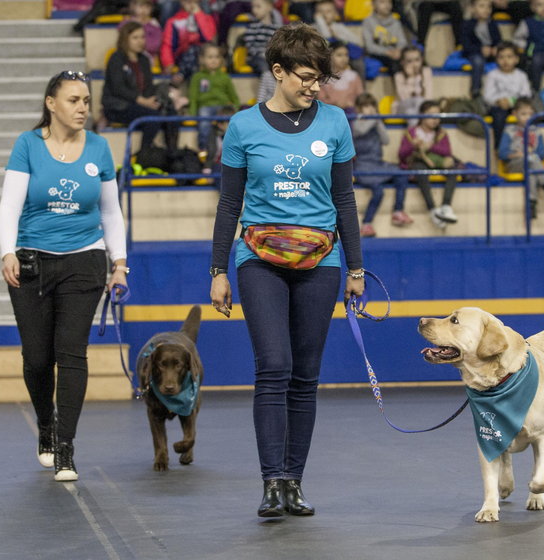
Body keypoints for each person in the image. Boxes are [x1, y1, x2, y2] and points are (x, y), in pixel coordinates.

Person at [209, 23, 365, 518]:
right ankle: (270, 481)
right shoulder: (242, 126)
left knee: (306, 376)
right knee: (273, 367)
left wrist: (356, 268)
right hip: (259, 261)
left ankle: (293, 481)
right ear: (277, 71)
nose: (314, 87)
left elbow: (344, 198)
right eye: (304, 77)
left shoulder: (336, 122)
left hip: (322, 263)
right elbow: (229, 203)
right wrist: (218, 268)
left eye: (320, 78)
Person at [0, 70, 128, 481]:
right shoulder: (27, 145)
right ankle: (46, 424)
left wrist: (119, 263)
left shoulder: (100, 149)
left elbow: (110, 211)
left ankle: (67, 447)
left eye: (86, 100)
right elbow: (9, 207)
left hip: (84, 261)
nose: (83, 108)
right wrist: (7, 251)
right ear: (51, 104)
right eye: (73, 100)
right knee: (37, 357)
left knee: (72, 353)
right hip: (33, 260)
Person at [103, 22, 179, 153]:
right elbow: (118, 88)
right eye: (135, 37)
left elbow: (148, 87)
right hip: (118, 106)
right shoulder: (116, 58)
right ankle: (144, 153)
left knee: (170, 112)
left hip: (142, 103)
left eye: (142, 37)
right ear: (125, 39)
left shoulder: (144, 59)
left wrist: (152, 101)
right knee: (152, 116)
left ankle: (172, 153)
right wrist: (143, 101)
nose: (140, 41)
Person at [352, 93, 412, 237]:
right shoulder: (355, 122)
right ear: (359, 108)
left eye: (372, 106)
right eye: (366, 106)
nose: (370, 109)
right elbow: (360, 130)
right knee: (378, 192)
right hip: (363, 166)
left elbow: (386, 140)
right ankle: (367, 224)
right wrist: (374, 119)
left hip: (378, 164)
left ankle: (398, 211)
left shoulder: (376, 121)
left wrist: (378, 122)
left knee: (401, 174)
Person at [497, 96, 544, 218]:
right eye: (523, 114)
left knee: (531, 169)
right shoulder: (509, 130)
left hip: (532, 163)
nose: (527, 117)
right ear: (514, 114)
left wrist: (530, 153)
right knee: (531, 160)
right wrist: (518, 154)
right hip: (515, 164)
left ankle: (531, 203)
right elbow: (502, 153)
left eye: (530, 114)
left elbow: (543, 154)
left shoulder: (536, 131)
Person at [398, 99, 459, 226]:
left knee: (453, 170)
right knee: (421, 171)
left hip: (437, 163)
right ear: (421, 115)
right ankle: (432, 209)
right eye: (431, 115)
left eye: (438, 116)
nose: (435, 119)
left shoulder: (441, 133)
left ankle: (446, 207)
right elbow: (402, 155)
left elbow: (447, 152)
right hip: (419, 162)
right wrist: (412, 146)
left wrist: (430, 146)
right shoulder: (411, 133)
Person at [188, 43, 240, 152]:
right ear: (202, 59)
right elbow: (193, 98)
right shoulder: (197, 77)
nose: (214, 60)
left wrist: (235, 109)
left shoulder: (225, 77)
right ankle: (204, 149)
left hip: (223, 107)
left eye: (217, 57)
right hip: (205, 107)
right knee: (204, 121)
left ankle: (230, 150)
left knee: (230, 123)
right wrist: (192, 114)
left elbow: (234, 97)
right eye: (210, 57)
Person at [483, 41, 531, 149]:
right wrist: (499, 101)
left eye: (509, 57)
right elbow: (487, 96)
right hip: (498, 106)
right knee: (499, 116)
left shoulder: (521, 75)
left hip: (517, 105)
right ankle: (499, 148)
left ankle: (527, 145)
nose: (505, 61)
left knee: (526, 114)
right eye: (501, 57)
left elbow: (526, 94)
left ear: (516, 59)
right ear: (496, 59)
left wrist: (511, 101)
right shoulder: (492, 75)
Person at [160, 0, 217, 79]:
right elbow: (167, 45)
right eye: (186, 1)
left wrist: (198, 14)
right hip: (182, 56)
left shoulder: (207, 18)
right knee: (192, 50)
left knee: (197, 50)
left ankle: (181, 74)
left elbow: (208, 37)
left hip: (202, 57)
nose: (190, 2)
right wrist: (168, 62)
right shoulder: (173, 21)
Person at [314, 0, 365, 78]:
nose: (324, 15)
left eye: (328, 11)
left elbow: (358, 41)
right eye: (321, 12)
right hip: (322, 59)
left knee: (358, 63)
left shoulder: (339, 27)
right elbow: (326, 35)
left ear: (335, 14)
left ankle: (360, 89)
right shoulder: (313, 28)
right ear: (316, 15)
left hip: (343, 57)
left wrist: (339, 36)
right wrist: (321, 22)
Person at [461, 0, 502, 99]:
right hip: (475, 53)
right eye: (482, 6)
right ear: (472, 8)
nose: (486, 10)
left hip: (491, 54)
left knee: (507, 58)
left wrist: (495, 49)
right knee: (478, 61)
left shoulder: (492, 24)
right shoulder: (467, 25)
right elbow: (466, 46)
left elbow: (498, 41)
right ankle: (476, 90)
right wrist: (480, 49)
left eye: (489, 7)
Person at [361, 0, 408, 76]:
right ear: (373, 4)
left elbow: (402, 41)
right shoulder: (368, 22)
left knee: (412, 59)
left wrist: (398, 51)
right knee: (395, 63)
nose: (387, 5)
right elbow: (369, 46)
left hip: (396, 53)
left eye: (389, 2)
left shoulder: (396, 22)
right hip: (378, 54)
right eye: (382, 2)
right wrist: (387, 52)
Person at [317, 41, 364, 112]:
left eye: (346, 55)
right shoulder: (324, 78)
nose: (344, 58)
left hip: (352, 114)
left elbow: (361, 99)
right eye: (339, 55)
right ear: (330, 56)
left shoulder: (354, 76)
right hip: (330, 113)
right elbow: (320, 102)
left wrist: (351, 105)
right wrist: (336, 104)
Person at [241, 0, 285, 75]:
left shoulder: (276, 28)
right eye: (253, 7)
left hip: (271, 58)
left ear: (269, 7)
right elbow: (250, 47)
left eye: (258, 7)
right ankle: (266, 86)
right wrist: (262, 54)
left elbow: (278, 47)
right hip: (256, 58)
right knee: (264, 66)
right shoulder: (252, 26)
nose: (254, 10)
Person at [393, 45, 433, 125]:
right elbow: (404, 98)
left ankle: (415, 135)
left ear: (422, 60)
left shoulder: (426, 71)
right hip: (402, 107)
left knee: (411, 111)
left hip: (419, 109)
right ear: (402, 62)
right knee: (416, 102)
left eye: (417, 60)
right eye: (409, 61)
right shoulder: (398, 76)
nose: (414, 64)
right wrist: (410, 78)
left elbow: (429, 95)